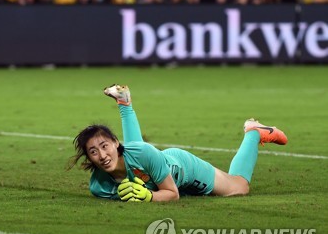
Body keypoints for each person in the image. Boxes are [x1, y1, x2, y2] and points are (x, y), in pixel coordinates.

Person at [70, 84, 288, 202]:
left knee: (240, 187)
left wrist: (149, 197)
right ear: (88, 157)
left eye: (105, 146)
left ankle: (253, 132)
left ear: (116, 143)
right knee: (138, 153)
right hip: (152, 164)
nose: (102, 154)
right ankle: (124, 102)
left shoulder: (142, 153)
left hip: (184, 169)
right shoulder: (99, 186)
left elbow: (172, 194)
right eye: (93, 151)